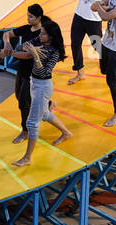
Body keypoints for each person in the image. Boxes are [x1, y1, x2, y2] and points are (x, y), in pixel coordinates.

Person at [10, 17, 72, 166]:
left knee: (32, 123)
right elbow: (22, 47)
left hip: (43, 86)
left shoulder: (55, 52)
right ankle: (66, 133)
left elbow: (44, 72)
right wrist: (31, 49)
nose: (39, 35)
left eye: (43, 34)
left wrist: (36, 55)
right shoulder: (38, 41)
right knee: (44, 114)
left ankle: (27, 158)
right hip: (34, 82)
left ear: (51, 37)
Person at [0, 4, 45, 144]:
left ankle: (26, 131)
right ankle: (47, 103)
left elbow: (28, 55)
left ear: (39, 18)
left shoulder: (42, 34)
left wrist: (9, 53)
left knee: (23, 103)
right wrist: (7, 43)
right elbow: (7, 34)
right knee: (19, 95)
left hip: (33, 72)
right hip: (22, 69)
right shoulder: (26, 28)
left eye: (31, 16)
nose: (28, 18)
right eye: (27, 15)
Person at [66, 0, 110, 85]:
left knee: (97, 46)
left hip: (93, 19)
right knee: (75, 44)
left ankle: (106, 65)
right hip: (79, 15)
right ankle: (80, 72)